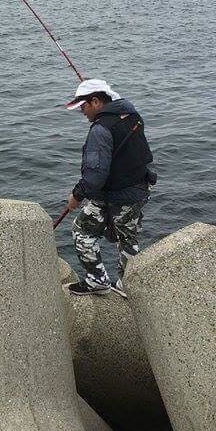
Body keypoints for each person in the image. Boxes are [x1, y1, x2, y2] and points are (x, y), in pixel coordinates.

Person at [62, 78, 156, 297]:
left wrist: (76, 195)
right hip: (139, 188)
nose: (82, 112)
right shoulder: (131, 115)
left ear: (96, 101)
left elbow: (95, 176)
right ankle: (128, 284)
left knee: (82, 230)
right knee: (128, 238)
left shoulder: (100, 130)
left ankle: (97, 280)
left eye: (83, 106)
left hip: (115, 195)